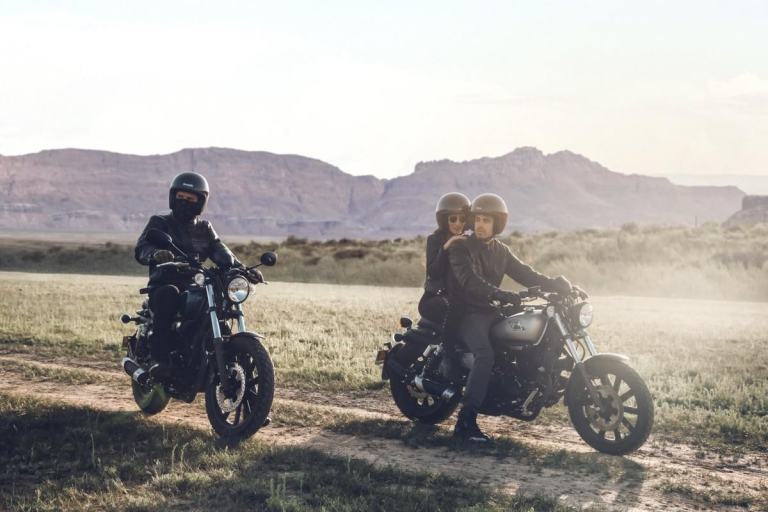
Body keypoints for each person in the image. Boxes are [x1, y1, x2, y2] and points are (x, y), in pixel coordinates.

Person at [448, 193, 573, 442]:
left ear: (497, 224)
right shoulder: (460, 247)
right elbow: (469, 280)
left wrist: (556, 284)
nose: (481, 225)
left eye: (486, 220)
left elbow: (526, 274)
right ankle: (465, 421)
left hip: (492, 310)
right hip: (468, 312)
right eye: (478, 219)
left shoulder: (500, 250)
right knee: (485, 355)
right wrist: (499, 294)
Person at [135, 172, 241, 373]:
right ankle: (159, 359)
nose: (184, 202)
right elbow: (142, 248)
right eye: (180, 197)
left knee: (220, 302)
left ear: (200, 202)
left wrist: (241, 268)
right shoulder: (159, 222)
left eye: (190, 199)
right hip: (165, 282)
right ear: (172, 197)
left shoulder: (205, 227)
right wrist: (156, 254)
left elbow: (219, 249)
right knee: (169, 294)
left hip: (197, 284)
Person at [417, 192, 470, 340]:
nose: (458, 223)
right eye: (453, 219)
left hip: (458, 300)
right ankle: (448, 351)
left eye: (462, 219)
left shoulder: (468, 242)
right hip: (435, 299)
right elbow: (434, 272)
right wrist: (447, 246)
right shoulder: (434, 240)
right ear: (444, 220)